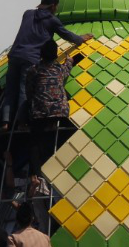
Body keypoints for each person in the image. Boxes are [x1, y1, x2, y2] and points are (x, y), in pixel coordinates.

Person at [1, 0, 94, 127]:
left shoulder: (27, 14)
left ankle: (5, 121)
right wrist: (80, 39)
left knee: (10, 90)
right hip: (30, 57)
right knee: (23, 90)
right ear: (52, 6)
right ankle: (22, 122)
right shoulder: (52, 20)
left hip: (15, 55)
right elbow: (65, 34)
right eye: (56, 6)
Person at [24, 40, 85, 177]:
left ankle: (35, 174)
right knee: (60, 135)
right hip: (60, 111)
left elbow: (28, 91)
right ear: (55, 54)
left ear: (41, 54)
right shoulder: (59, 69)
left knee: (34, 142)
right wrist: (69, 60)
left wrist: (31, 104)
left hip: (40, 112)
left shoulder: (33, 70)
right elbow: (68, 67)